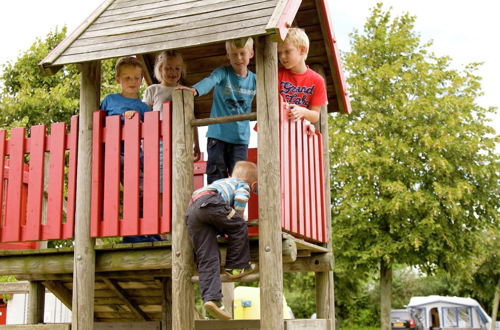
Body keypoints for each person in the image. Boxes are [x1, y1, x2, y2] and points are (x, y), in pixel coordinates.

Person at [177, 37, 256, 184]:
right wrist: (195, 90)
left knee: (239, 180)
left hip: (240, 139)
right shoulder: (223, 73)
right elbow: (211, 80)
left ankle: (234, 207)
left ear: (251, 53)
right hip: (218, 136)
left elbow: (270, 93)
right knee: (216, 176)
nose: (238, 58)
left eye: (242, 53)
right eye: (233, 54)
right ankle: (215, 206)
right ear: (228, 56)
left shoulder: (255, 80)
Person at [186, 161, 258, 320]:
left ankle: (212, 300)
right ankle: (236, 267)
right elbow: (240, 199)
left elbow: (213, 214)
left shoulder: (220, 183)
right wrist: (238, 217)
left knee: (208, 256)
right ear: (253, 184)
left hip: (193, 210)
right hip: (210, 203)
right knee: (239, 225)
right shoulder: (242, 185)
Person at [100, 56, 160, 243]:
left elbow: (151, 131)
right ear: (118, 79)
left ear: (142, 79)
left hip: (135, 157)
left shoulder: (143, 107)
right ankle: (130, 231)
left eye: (136, 78)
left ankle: (145, 231)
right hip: (112, 155)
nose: (132, 82)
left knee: (141, 191)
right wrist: (121, 118)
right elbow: (99, 124)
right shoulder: (110, 100)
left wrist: (138, 121)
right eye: (127, 78)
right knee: (109, 192)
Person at [143, 50, 200, 196]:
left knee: (180, 175)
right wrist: (144, 140)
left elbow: (191, 119)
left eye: (177, 68)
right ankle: (163, 211)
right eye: (168, 68)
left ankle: (179, 211)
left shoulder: (185, 91)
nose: (172, 72)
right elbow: (145, 117)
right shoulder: (153, 90)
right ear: (159, 69)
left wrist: (196, 144)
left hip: (181, 141)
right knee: (160, 175)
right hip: (159, 142)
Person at [277, 27, 327, 135]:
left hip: (297, 133)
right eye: (279, 52)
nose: (282, 56)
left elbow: (315, 115)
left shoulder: (317, 80)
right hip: (276, 129)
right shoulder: (277, 75)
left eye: (287, 51)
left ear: (302, 50)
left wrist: (302, 112)